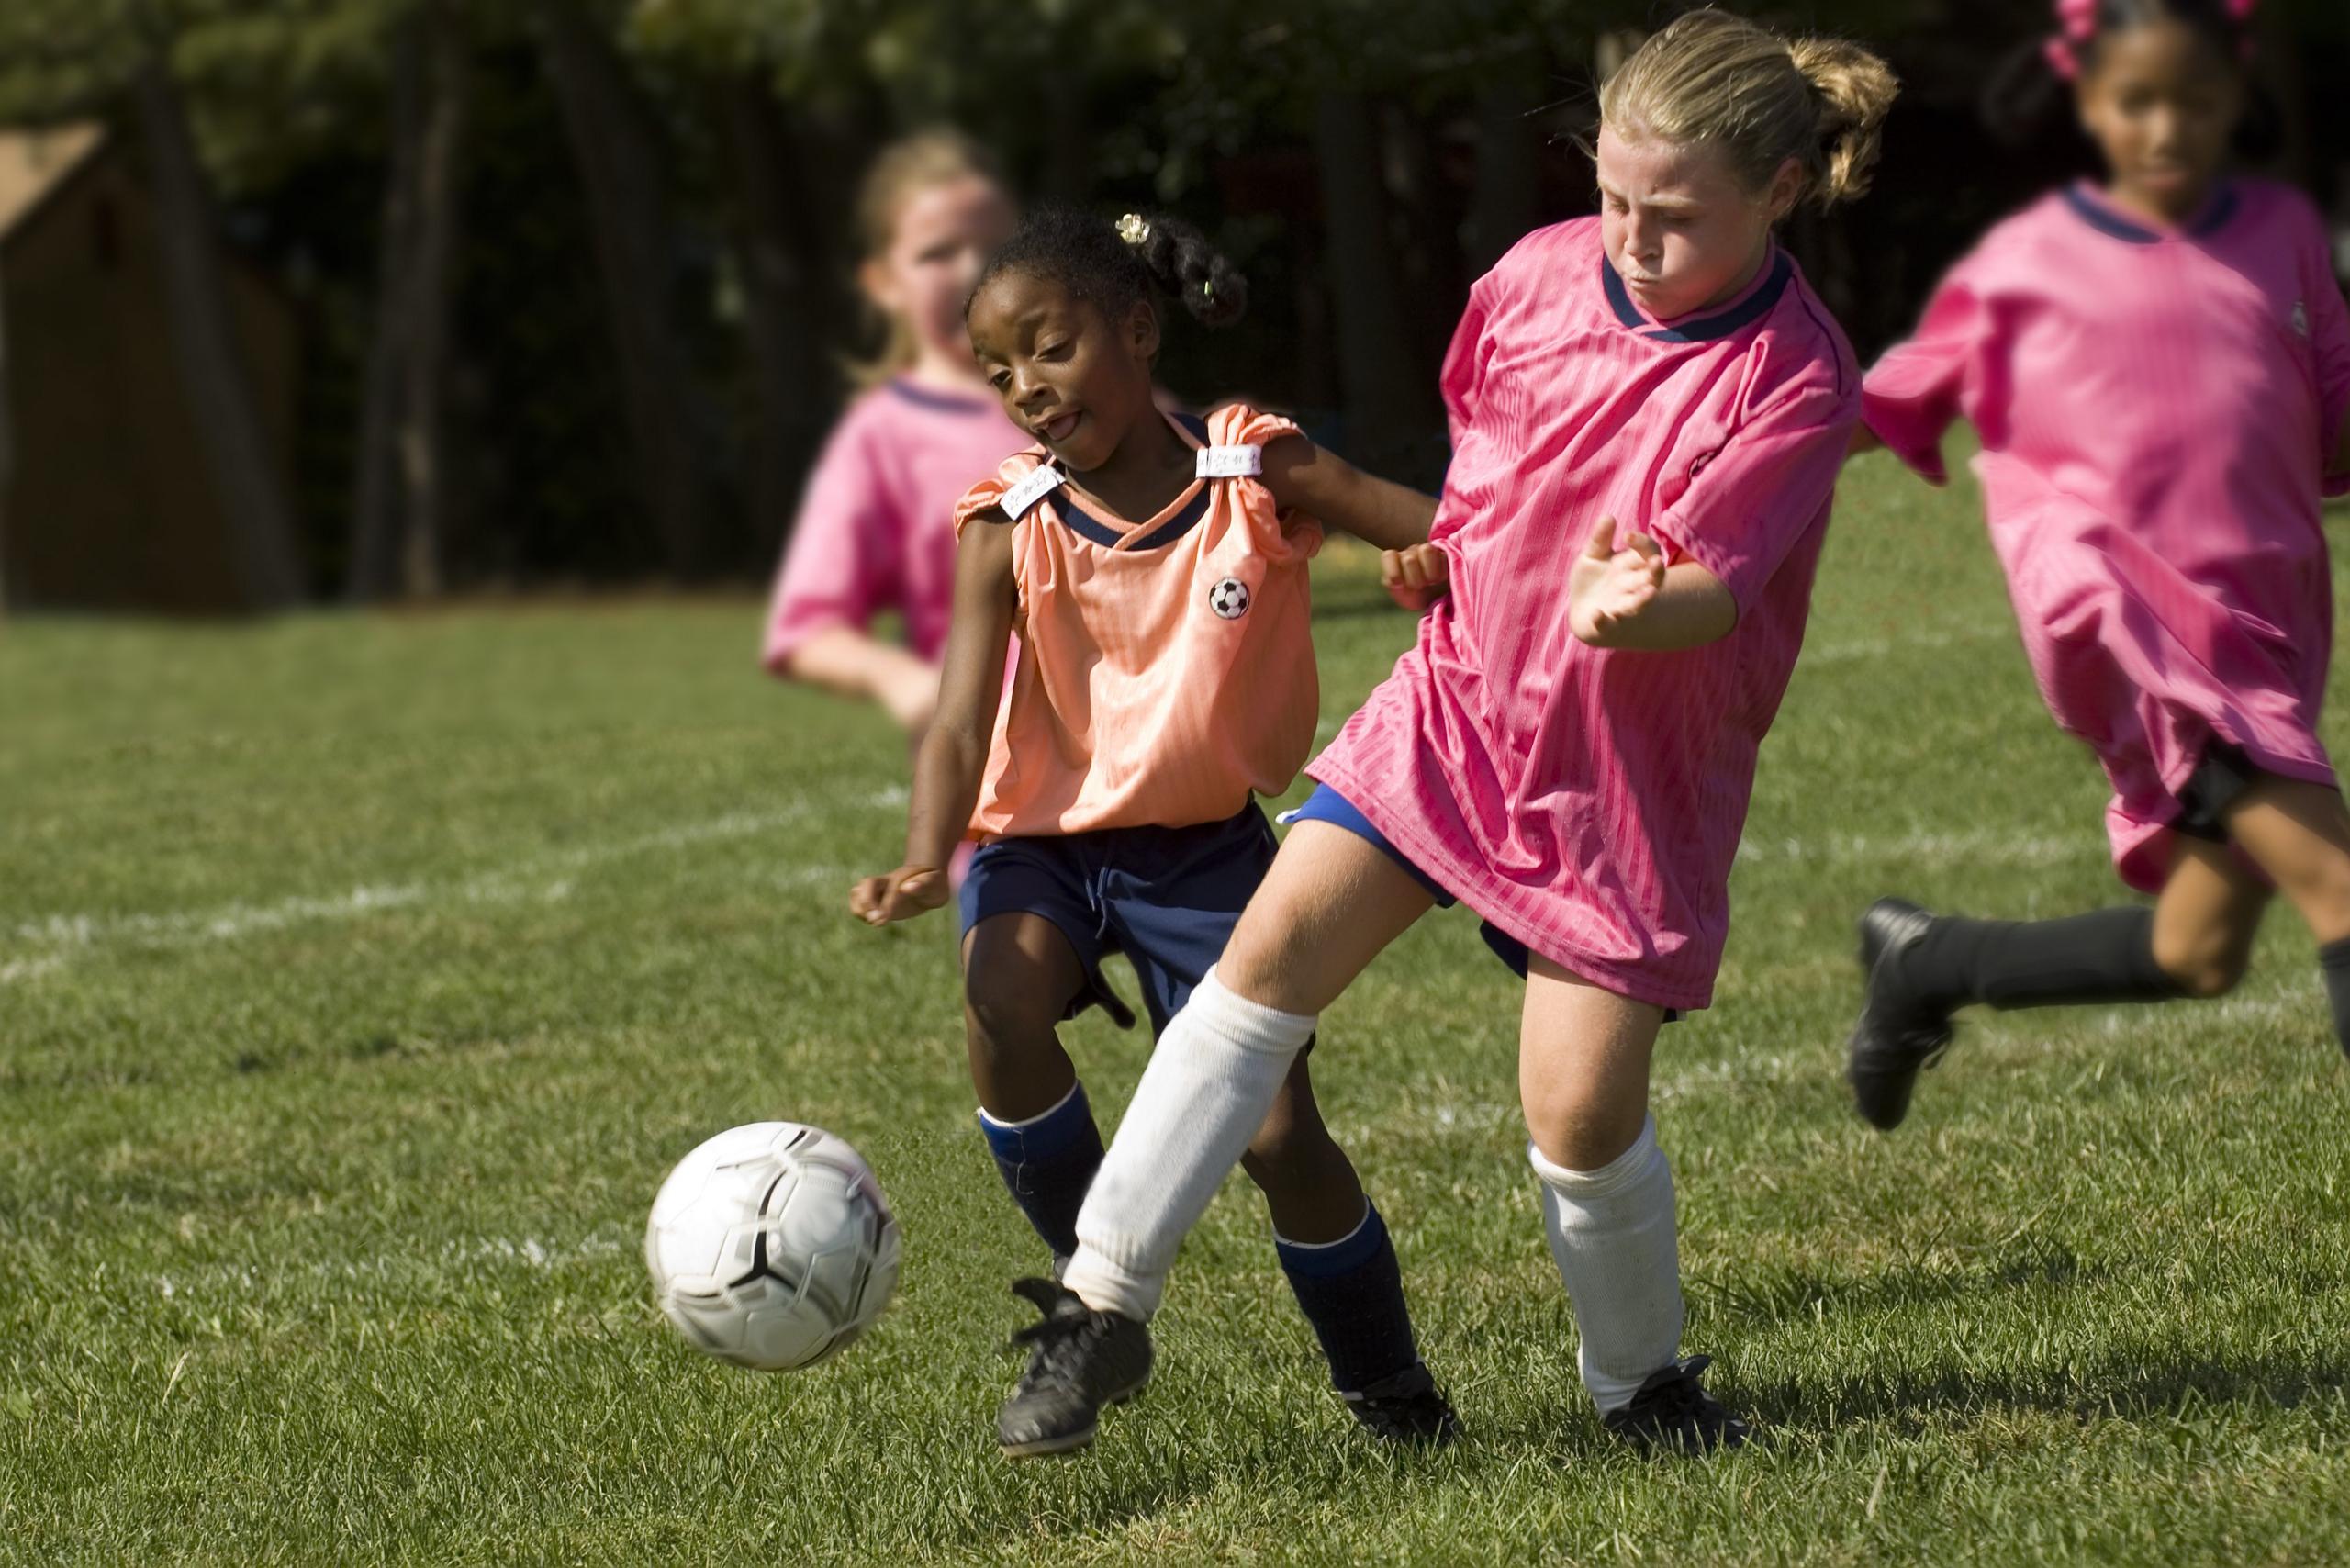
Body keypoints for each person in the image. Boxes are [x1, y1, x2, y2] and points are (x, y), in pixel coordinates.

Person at [993, 8, 1897, 1458]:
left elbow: (1718, 589)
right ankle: (1098, 1308)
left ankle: (1643, 1390)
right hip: (1457, 711)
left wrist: (1628, 608)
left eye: (1675, 218)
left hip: (1625, 784)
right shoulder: (1533, 280)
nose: (1630, 238)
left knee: (1580, 1113)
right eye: (1609, 197)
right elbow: (1487, 473)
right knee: (1263, 967)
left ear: (1782, 193)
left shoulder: (1788, 378)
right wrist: (1449, 557)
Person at [850, 205, 1458, 1456]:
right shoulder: (1005, 524)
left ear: (1136, 328)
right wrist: (928, 851)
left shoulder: (1257, 473)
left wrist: (1434, 566)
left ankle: (1388, 1385)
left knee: (1284, 1138)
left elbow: (1435, 532)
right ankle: (1096, 1297)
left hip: (1210, 850)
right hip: (1048, 843)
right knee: (1000, 997)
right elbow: (960, 717)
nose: (1027, 387)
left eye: (1051, 348)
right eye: (1000, 369)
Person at [1844, 0, 2350, 1131]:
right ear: (2089, 101)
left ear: (2237, 94)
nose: (2166, 126)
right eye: (2137, 102)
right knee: (2343, 893)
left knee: (2196, 949)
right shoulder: (2030, 265)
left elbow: (2334, 422)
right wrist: (1729, 448)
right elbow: (1878, 400)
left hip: (2265, 630)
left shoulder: (2281, 234)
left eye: (2196, 100)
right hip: (2137, 626)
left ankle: (1926, 966)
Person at [763, 129, 1022, 737]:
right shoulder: (881, 438)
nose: (973, 270)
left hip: (1148, 776)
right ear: (882, 283)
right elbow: (807, 628)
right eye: (937, 253)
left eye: (997, 248)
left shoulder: (1106, 398)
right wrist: (901, 680)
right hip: (996, 801)